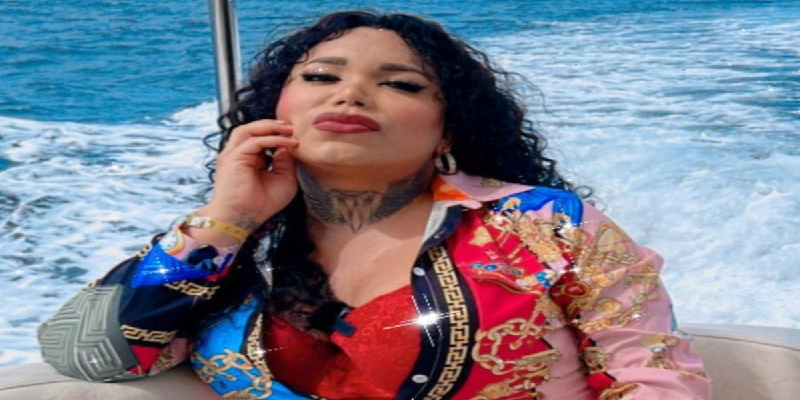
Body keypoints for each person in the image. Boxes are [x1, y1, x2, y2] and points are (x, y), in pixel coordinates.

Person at [36, 10, 712, 400]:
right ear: (277, 108)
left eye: (401, 84)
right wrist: (228, 217)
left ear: (448, 131)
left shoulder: (542, 225)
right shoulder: (235, 252)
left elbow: (654, 376)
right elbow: (90, 354)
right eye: (320, 76)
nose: (350, 93)